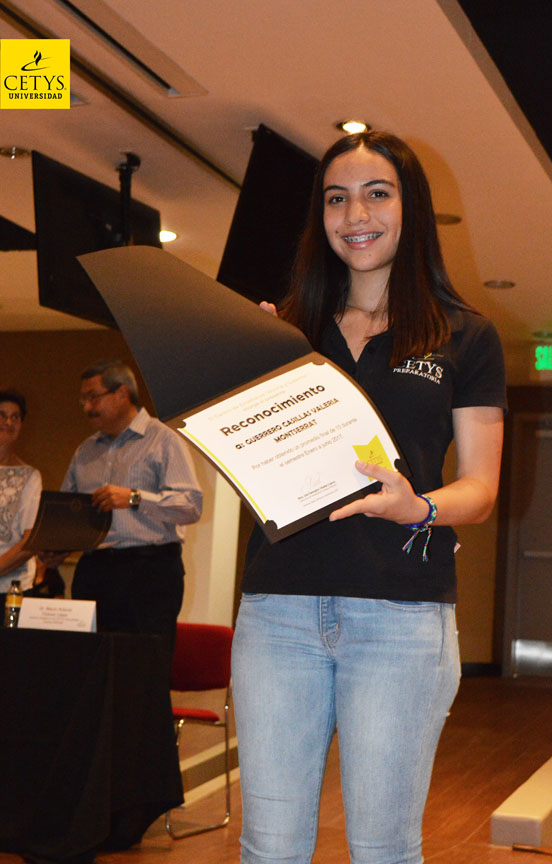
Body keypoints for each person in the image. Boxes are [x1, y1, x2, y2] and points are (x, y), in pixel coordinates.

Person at [231, 131, 506, 864]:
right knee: (268, 848)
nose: (355, 214)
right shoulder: (283, 330)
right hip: (277, 609)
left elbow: (481, 489)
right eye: (336, 198)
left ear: (410, 208)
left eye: (376, 194)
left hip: (401, 616)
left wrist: (417, 506)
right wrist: (241, 364)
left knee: (383, 849)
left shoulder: (465, 335)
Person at [58, 360, 202, 662]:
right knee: (90, 666)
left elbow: (190, 506)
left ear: (122, 393)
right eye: (83, 400)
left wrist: (135, 498)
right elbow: (67, 511)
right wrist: (55, 546)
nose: (87, 407)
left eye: (93, 397)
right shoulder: (85, 451)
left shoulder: (164, 439)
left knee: (144, 667)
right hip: (94, 570)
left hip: (149, 571)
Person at [0, 389, 42, 621]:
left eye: (15, 417)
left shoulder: (30, 477)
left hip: (10, 591)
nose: (8, 422)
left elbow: (31, 541)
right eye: (2, 415)